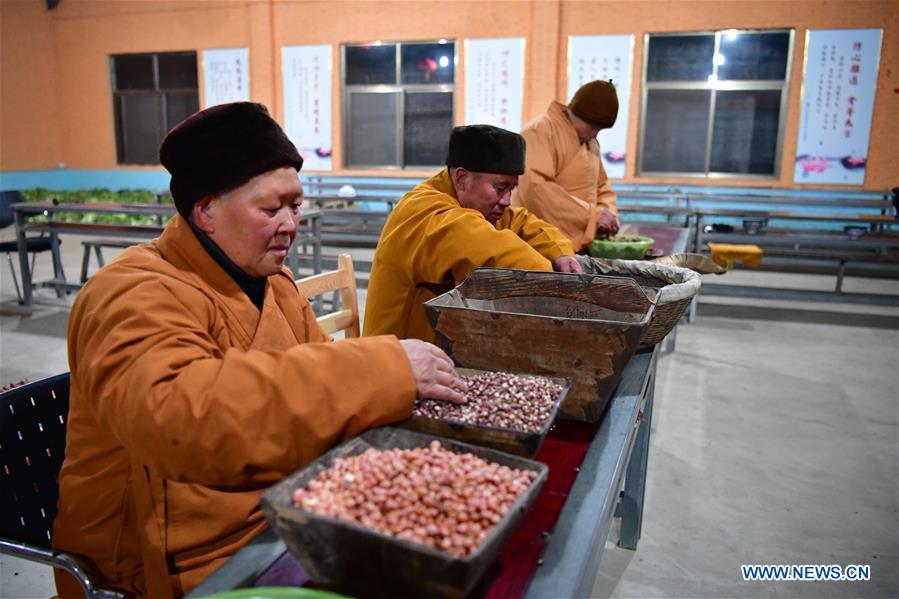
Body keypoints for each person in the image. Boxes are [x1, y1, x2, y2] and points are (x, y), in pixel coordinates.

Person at [52, 102, 467, 599]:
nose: (291, 224)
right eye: (272, 209)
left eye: (296, 206)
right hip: (167, 565)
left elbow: (323, 396)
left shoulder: (275, 285)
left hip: (279, 515)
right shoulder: (130, 293)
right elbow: (183, 417)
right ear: (205, 211)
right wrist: (382, 370)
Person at [363, 124, 581, 343]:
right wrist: (555, 284)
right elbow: (490, 249)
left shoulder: (475, 205)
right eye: (500, 188)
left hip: (436, 344)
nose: (506, 200)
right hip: (396, 353)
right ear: (462, 179)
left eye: (511, 189)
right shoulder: (424, 211)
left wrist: (560, 253)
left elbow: (521, 221)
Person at [512, 79, 621, 251]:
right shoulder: (539, 131)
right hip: (540, 242)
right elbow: (537, 190)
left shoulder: (591, 143)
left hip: (582, 245)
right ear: (576, 113)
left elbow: (602, 186)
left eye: (599, 130)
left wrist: (608, 213)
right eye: (593, 127)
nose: (594, 135)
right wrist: (592, 216)